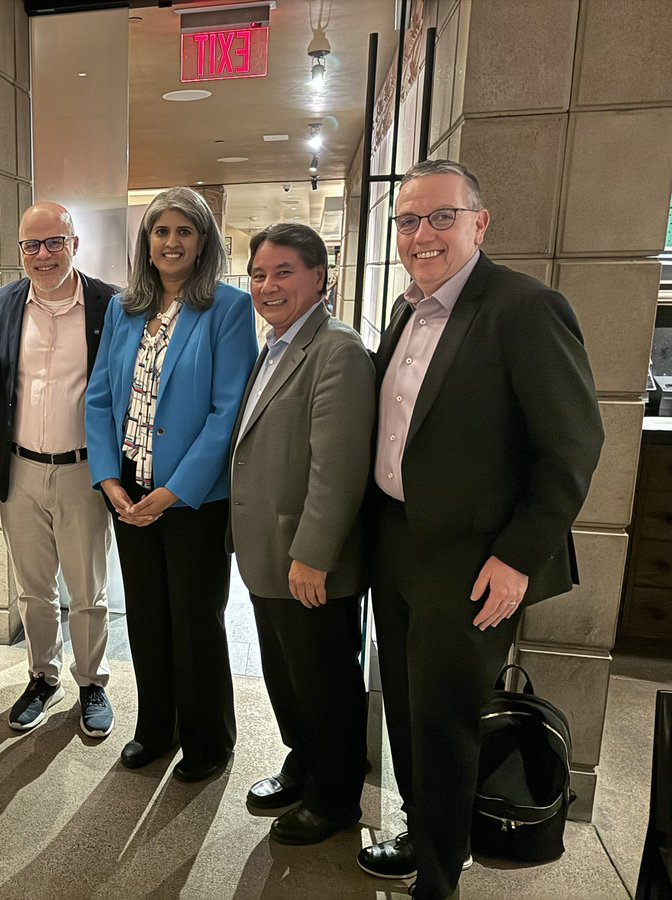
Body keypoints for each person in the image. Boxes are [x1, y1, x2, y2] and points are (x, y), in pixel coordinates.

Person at [357, 159, 603, 899]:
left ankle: (438, 877)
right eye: (407, 220)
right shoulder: (407, 311)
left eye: (440, 217)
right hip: (397, 544)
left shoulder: (524, 308)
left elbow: (572, 448)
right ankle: (427, 829)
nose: (421, 235)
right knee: (404, 705)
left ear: (479, 224)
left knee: (447, 721)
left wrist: (518, 557)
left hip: (471, 561)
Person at [85, 186, 257, 782]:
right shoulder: (123, 309)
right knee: (148, 617)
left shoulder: (229, 310)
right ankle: (157, 728)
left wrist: (174, 491)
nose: (171, 242)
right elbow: (101, 395)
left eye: (184, 232)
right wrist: (109, 479)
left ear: (202, 242)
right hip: (128, 486)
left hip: (191, 495)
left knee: (194, 616)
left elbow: (226, 411)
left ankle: (209, 738)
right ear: (146, 242)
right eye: (161, 232)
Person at [228, 223, 375, 844]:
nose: (268, 285)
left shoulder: (335, 349)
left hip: (306, 560)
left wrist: (313, 556)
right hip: (269, 554)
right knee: (287, 674)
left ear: (320, 277)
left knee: (325, 680)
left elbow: (336, 465)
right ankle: (304, 760)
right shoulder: (276, 345)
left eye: (283, 272)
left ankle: (336, 796)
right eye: (259, 274)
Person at [0, 202, 116, 737]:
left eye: (54, 242)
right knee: (33, 589)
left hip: (84, 471)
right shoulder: (2, 303)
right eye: (30, 245)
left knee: (87, 590)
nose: (42, 255)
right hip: (20, 468)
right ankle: (44, 675)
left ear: (75, 244)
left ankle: (91, 681)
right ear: (20, 250)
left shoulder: (110, 305)